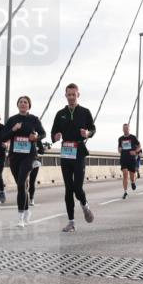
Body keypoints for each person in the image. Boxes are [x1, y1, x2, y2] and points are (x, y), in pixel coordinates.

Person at [51, 83, 96, 232]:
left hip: (79, 152)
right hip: (65, 152)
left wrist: (87, 134)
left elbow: (93, 129)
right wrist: (55, 136)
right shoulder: (60, 113)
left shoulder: (85, 112)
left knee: (77, 187)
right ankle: (71, 222)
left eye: (73, 94)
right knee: (68, 189)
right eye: (69, 95)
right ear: (65, 95)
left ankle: (85, 206)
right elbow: (53, 133)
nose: (71, 97)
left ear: (78, 95)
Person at [1, 95, 46, 227]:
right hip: (15, 156)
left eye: (25, 102)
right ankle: (26, 210)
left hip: (29, 156)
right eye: (20, 102)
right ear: (18, 105)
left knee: (21, 183)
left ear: (29, 105)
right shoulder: (12, 120)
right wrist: (13, 130)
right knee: (22, 186)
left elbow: (43, 134)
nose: (23, 104)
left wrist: (36, 137)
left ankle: (20, 217)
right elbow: (3, 137)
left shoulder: (34, 119)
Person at [117, 123, 141, 198]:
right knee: (125, 174)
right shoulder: (120, 138)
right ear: (122, 129)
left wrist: (136, 152)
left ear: (129, 129)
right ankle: (125, 192)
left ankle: (133, 182)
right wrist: (119, 149)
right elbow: (119, 148)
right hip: (124, 158)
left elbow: (139, 146)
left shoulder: (133, 137)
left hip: (131, 159)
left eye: (127, 128)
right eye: (124, 128)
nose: (125, 130)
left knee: (132, 175)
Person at [28, 140, 46, 206]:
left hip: (34, 162)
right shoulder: (22, 136)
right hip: (23, 161)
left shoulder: (37, 140)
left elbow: (42, 151)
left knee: (32, 181)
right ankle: (23, 196)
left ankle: (31, 198)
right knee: (23, 181)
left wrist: (37, 149)